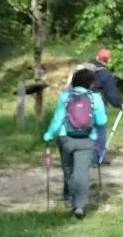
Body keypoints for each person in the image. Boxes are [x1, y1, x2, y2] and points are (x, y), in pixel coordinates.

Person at [42, 66, 107, 218]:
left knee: (69, 171)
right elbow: (101, 120)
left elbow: (58, 119)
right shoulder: (95, 97)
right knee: (82, 172)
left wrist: (49, 135)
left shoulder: (66, 97)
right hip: (87, 140)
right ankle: (79, 206)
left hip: (66, 139)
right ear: (90, 83)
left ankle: (70, 198)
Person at [90, 48, 123, 165]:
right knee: (100, 130)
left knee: (87, 129)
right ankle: (98, 157)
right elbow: (112, 95)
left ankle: (84, 156)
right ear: (109, 60)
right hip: (99, 105)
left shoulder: (87, 71)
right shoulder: (106, 74)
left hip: (83, 103)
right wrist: (120, 105)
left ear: (97, 58)